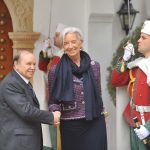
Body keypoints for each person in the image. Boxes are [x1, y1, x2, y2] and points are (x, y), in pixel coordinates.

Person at [48, 27, 107, 150]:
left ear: (81, 43)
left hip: (95, 121)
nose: (70, 46)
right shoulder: (55, 70)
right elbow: (53, 101)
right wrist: (55, 111)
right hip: (70, 125)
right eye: (66, 43)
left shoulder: (94, 66)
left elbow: (98, 93)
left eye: (73, 42)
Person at [0, 50, 61, 150]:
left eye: (34, 64)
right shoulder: (11, 83)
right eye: (28, 64)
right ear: (16, 65)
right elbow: (26, 111)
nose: (32, 67)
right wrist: (51, 117)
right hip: (18, 144)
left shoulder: (22, 81)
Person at [111, 20, 150, 150]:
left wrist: (148, 128)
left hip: (147, 126)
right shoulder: (138, 65)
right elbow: (116, 80)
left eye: (143, 38)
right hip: (135, 123)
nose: (138, 40)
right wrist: (125, 59)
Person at [38, 23, 66, 150]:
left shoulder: (64, 56)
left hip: (61, 104)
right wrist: (45, 51)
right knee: (54, 135)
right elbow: (43, 67)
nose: (54, 38)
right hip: (52, 101)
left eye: (56, 35)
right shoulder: (56, 56)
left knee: (60, 137)